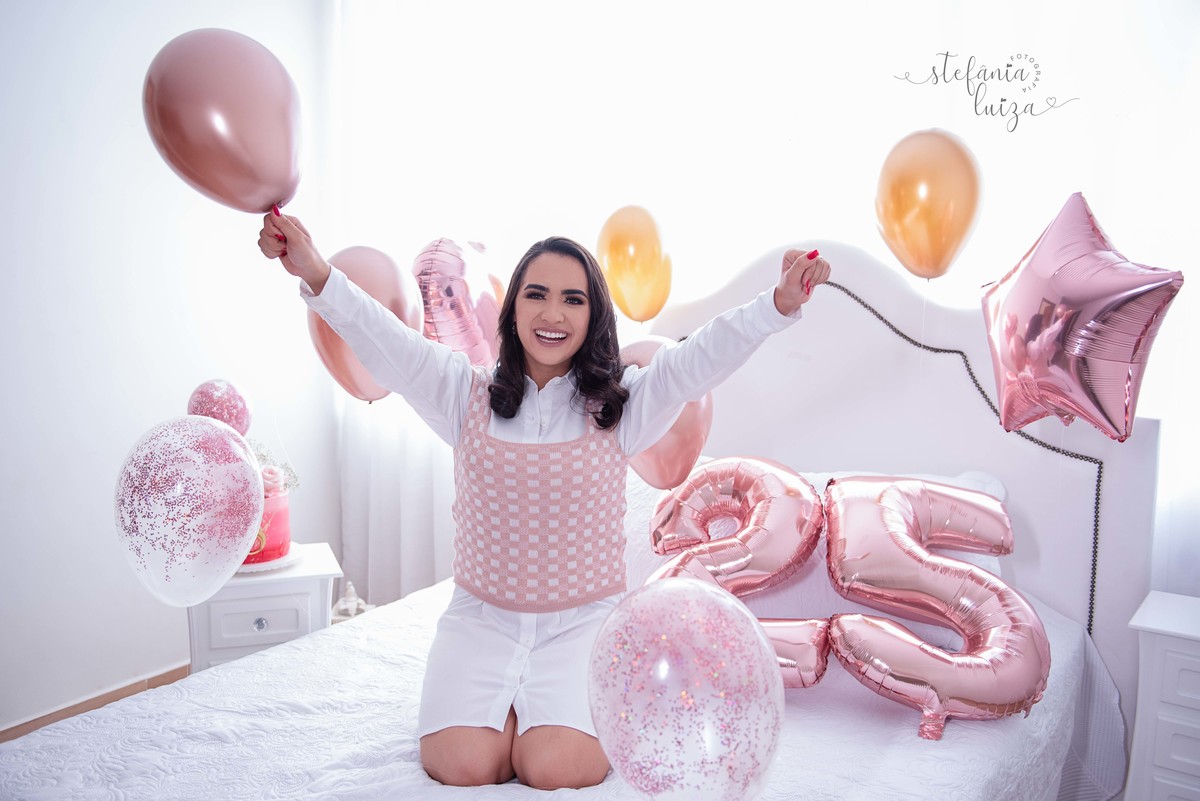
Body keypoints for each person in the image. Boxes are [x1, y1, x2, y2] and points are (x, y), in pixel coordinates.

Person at [258, 211, 831, 791]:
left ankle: (542, 715)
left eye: (572, 300)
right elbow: (386, 341)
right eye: (536, 295)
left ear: (592, 316)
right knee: (461, 766)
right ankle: (505, 712)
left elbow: (700, 357)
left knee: (555, 768)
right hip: (480, 621)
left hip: (582, 626)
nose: (552, 314)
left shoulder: (624, 405)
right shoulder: (462, 391)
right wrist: (315, 272)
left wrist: (777, 304)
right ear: (513, 309)